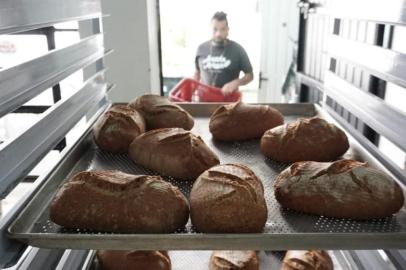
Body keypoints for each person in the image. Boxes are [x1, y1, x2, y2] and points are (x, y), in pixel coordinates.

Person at [194, 11, 253, 95]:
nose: (218, 34)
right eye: (215, 29)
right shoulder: (201, 48)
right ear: (210, 28)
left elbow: (250, 75)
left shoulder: (238, 49)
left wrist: (236, 82)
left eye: (222, 29)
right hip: (204, 101)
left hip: (229, 102)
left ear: (228, 30)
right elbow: (197, 73)